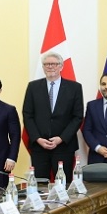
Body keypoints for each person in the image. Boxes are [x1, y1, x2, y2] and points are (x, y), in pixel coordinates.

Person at [23, 51, 84, 181]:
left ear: (61, 67)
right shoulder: (33, 87)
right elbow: (27, 115)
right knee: (39, 186)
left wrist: (61, 138)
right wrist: (38, 138)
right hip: (39, 147)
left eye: (54, 64)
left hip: (64, 147)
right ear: (43, 67)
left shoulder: (75, 88)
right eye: (46, 64)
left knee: (63, 185)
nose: (50, 67)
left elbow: (77, 116)